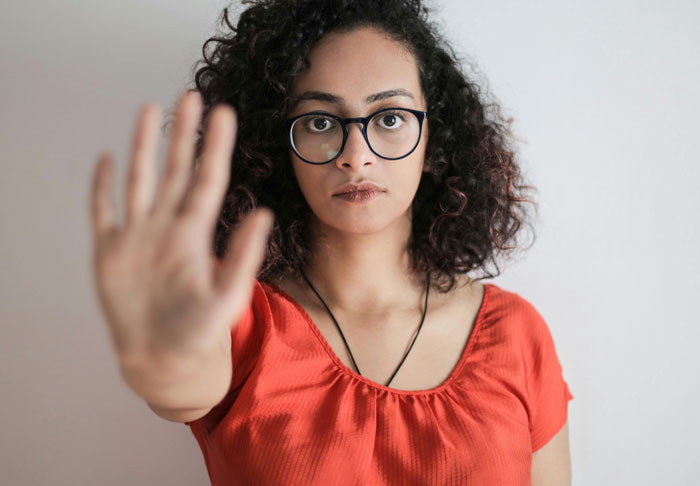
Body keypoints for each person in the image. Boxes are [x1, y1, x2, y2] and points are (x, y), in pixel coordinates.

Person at [90, 0, 573, 484]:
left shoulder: (517, 335)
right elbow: (182, 382)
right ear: (279, 151)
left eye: (388, 118)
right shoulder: (236, 321)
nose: (356, 156)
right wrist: (162, 356)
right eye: (320, 122)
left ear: (435, 143)